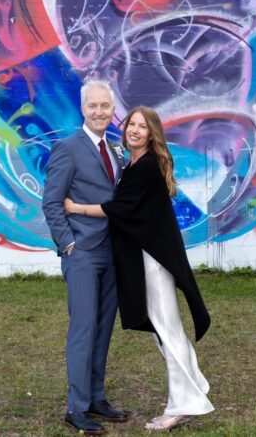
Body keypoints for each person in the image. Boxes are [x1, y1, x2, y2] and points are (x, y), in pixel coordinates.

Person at [64, 106, 214, 431]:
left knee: (167, 330)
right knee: (166, 331)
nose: (134, 130)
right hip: (148, 258)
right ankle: (194, 387)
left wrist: (76, 207)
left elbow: (118, 208)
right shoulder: (133, 163)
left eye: (142, 127)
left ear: (151, 134)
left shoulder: (144, 167)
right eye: (131, 124)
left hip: (153, 261)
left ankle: (182, 405)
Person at [41, 80, 129, 435]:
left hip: (112, 252)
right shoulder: (68, 148)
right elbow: (51, 202)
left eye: (105, 106)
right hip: (82, 254)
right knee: (83, 329)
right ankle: (76, 408)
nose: (99, 112)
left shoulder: (114, 151)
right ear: (83, 109)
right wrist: (68, 245)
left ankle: (96, 397)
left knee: (104, 328)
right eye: (93, 106)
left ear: (112, 110)